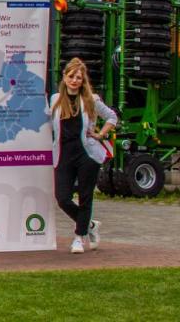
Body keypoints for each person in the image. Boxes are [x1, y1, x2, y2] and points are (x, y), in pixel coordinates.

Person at [49, 57, 116, 254]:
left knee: (86, 197)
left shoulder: (91, 99)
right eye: (71, 76)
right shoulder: (55, 100)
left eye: (79, 77)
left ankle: (79, 238)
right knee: (62, 198)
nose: (74, 80)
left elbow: (112, 116)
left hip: (87, 154)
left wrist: (101, 134)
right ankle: (90, 225)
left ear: (83, 80)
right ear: (64, 77)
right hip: (63, 154)